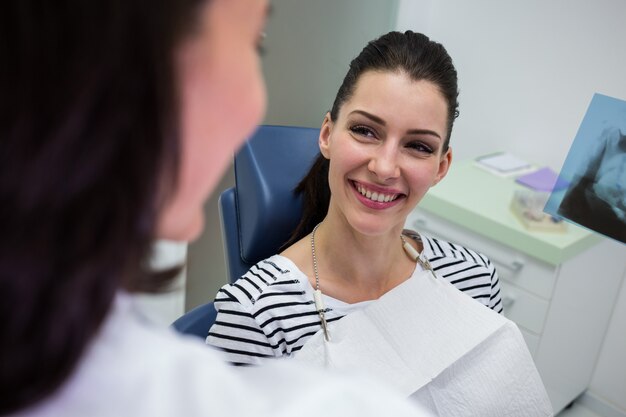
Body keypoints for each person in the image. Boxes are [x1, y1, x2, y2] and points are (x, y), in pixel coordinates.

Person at [0, 1, 430, 416]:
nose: (385, 167)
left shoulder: (468, 273)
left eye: (418, 145)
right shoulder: (259, 324)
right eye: (252, 44)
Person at [207, 31, 504, 365]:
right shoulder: (257, 317)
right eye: (365, 131)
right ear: (327, 135)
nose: (385, 167)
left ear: (441, 167)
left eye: (418, 146)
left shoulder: (474, 280)